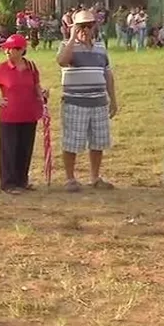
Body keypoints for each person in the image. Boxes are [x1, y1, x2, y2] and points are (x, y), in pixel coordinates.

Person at [56, 10, 118, 192]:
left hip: (98, 102)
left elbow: (107, 73)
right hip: (75, 102)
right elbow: (62, 61)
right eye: (82, 25)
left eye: (89, 25)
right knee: (71, 142)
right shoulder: (66, 46)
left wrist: (112, 99)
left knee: (98, 141)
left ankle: (95, 177)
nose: (86, 29)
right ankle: (70, 178)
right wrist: (72, 36)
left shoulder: (100, 47)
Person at [0, 34, 44, 194]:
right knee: (9, 149)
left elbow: (36, 86)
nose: (7, 51)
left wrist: (42, 94)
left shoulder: (31, 67)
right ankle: (8, 183)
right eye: (6, 48)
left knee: (25, 148)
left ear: (22, 50)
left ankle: (22, 181)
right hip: (9, 116)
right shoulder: (2, 68)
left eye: (11, 48)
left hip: (29, 114)